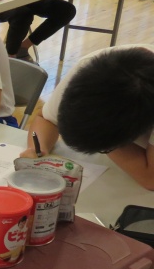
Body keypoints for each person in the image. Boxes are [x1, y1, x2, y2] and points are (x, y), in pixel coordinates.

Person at [21, 45, 154, 191]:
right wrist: (37, 150)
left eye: (105, 148)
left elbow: (150, 179)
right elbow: (46, 119)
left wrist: (103, 140)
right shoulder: (90, 69)